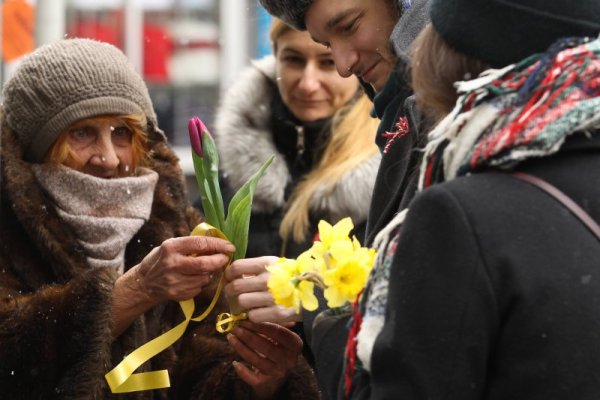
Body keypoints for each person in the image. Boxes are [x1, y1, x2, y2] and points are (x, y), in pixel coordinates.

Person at [0, 38, 318, 399]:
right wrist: (135, 290)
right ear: (35, 147)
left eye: (121, 133)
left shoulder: (171, 222)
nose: (108, 158)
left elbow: (198, 368)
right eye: (82, 133)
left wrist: (260, 379)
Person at [224, 0, 430, 398]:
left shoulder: (414, 136)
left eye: (350, 26)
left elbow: (414, 322)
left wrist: (309, 298)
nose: (340, 66)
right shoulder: (233, 179)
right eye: (294, 59)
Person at [215, 17, 380, 260]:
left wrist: (311, 297)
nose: (308, 84)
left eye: (328, 62)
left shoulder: (391, 172)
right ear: (275, 59)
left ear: (356, 65)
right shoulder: (233, 170)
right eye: (293, 59)